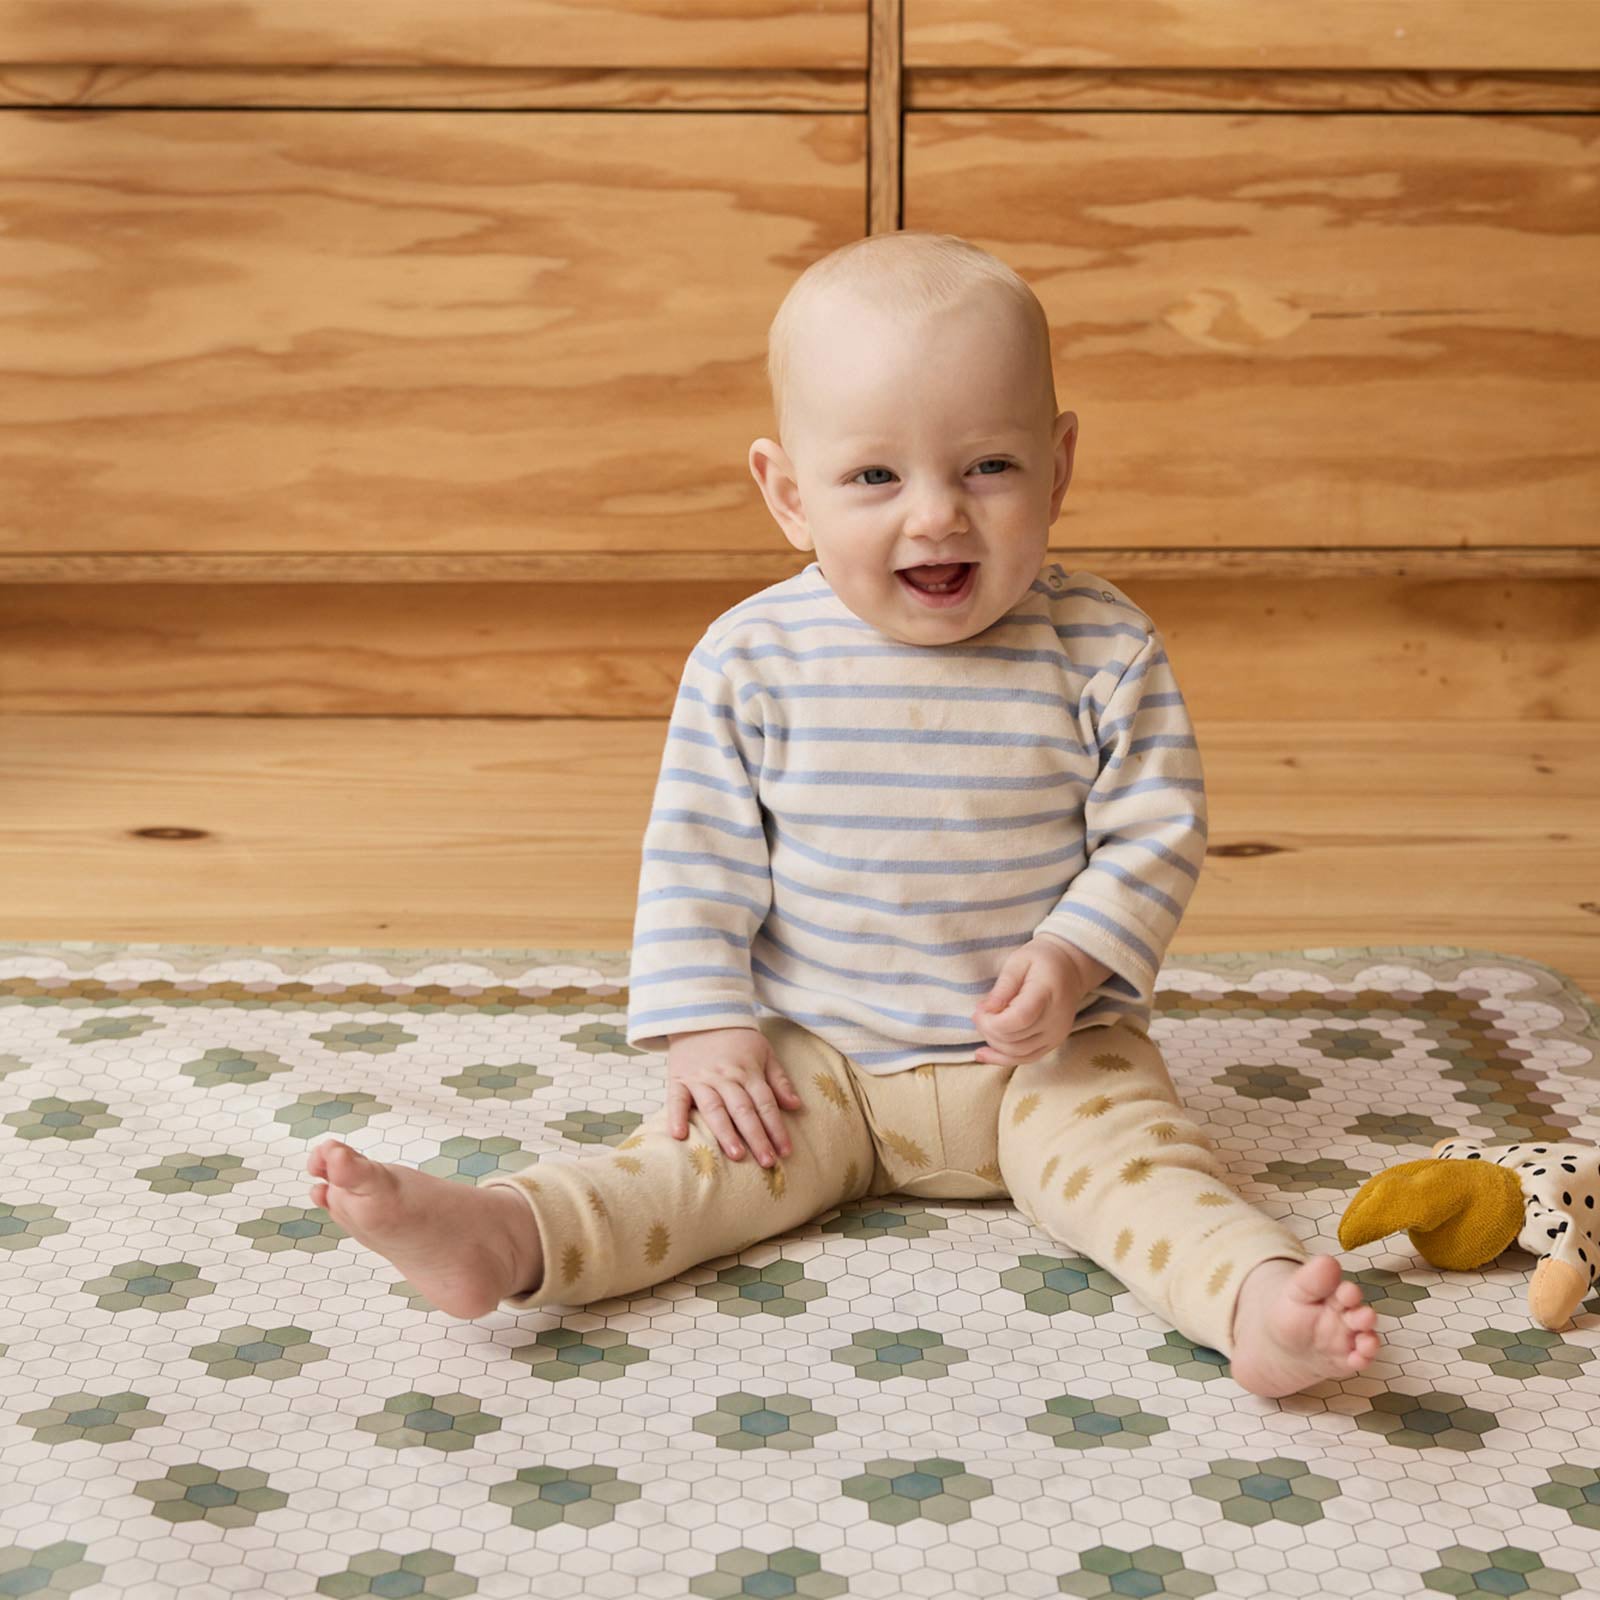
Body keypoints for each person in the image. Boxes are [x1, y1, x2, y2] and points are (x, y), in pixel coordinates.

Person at [307, 230, 1380, 1398]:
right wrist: (709, 1024)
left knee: (1146, 1171)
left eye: (988, 468)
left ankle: (1255, 1303)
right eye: (875, 477)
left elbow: (1154, 832)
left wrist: (1072, 960)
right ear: (787, 492)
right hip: (817, 1060)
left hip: (1044, 1060)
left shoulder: (1101, 647)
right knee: (687, 1172)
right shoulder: (753, 658)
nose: (936, 518)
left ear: (1058, 467)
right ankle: (505, 1237)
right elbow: (697, 858)